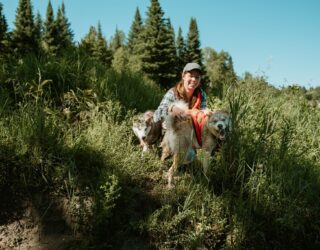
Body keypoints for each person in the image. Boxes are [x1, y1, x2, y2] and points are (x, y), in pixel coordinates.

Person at [153, 62, 209, 162]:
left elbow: (202, 118)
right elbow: (157, 114)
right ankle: (161, 150)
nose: (194, 80)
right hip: (168, 132)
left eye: (197, 77)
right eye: (190, 76)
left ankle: (177, 158)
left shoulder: (201, 95)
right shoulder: (173, 92)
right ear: (183, 76)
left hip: (187, 135)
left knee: (189, 157)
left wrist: (206, 114)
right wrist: (171, 108)